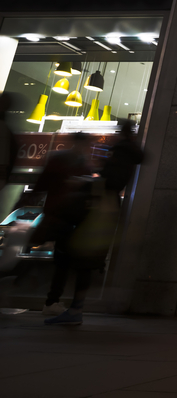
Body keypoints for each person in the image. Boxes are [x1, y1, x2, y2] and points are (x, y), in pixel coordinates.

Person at [31, 133, 91, 324]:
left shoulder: (62, 159)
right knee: (64, 260)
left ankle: (51, 300)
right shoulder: (79, 163)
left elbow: (41, 184)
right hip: (65, 217)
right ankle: (52, 301)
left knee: (60, 258)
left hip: (57, 215)